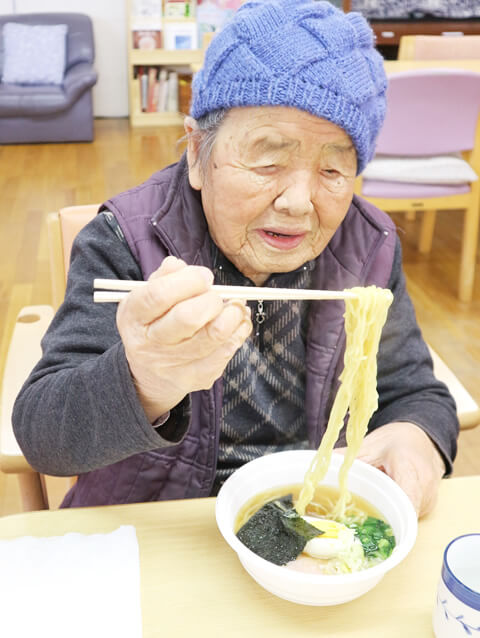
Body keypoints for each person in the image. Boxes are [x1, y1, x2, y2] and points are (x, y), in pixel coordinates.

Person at [13, 0, 458, 516]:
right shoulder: (127, 241)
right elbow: (43, 435)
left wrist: (414, 437)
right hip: (157, 522)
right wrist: (145, 380)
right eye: (269, 161)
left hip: (303, 518)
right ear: (197, 152)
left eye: (334, 172)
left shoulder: (369, 245)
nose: (298, 201)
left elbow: (415, 391)